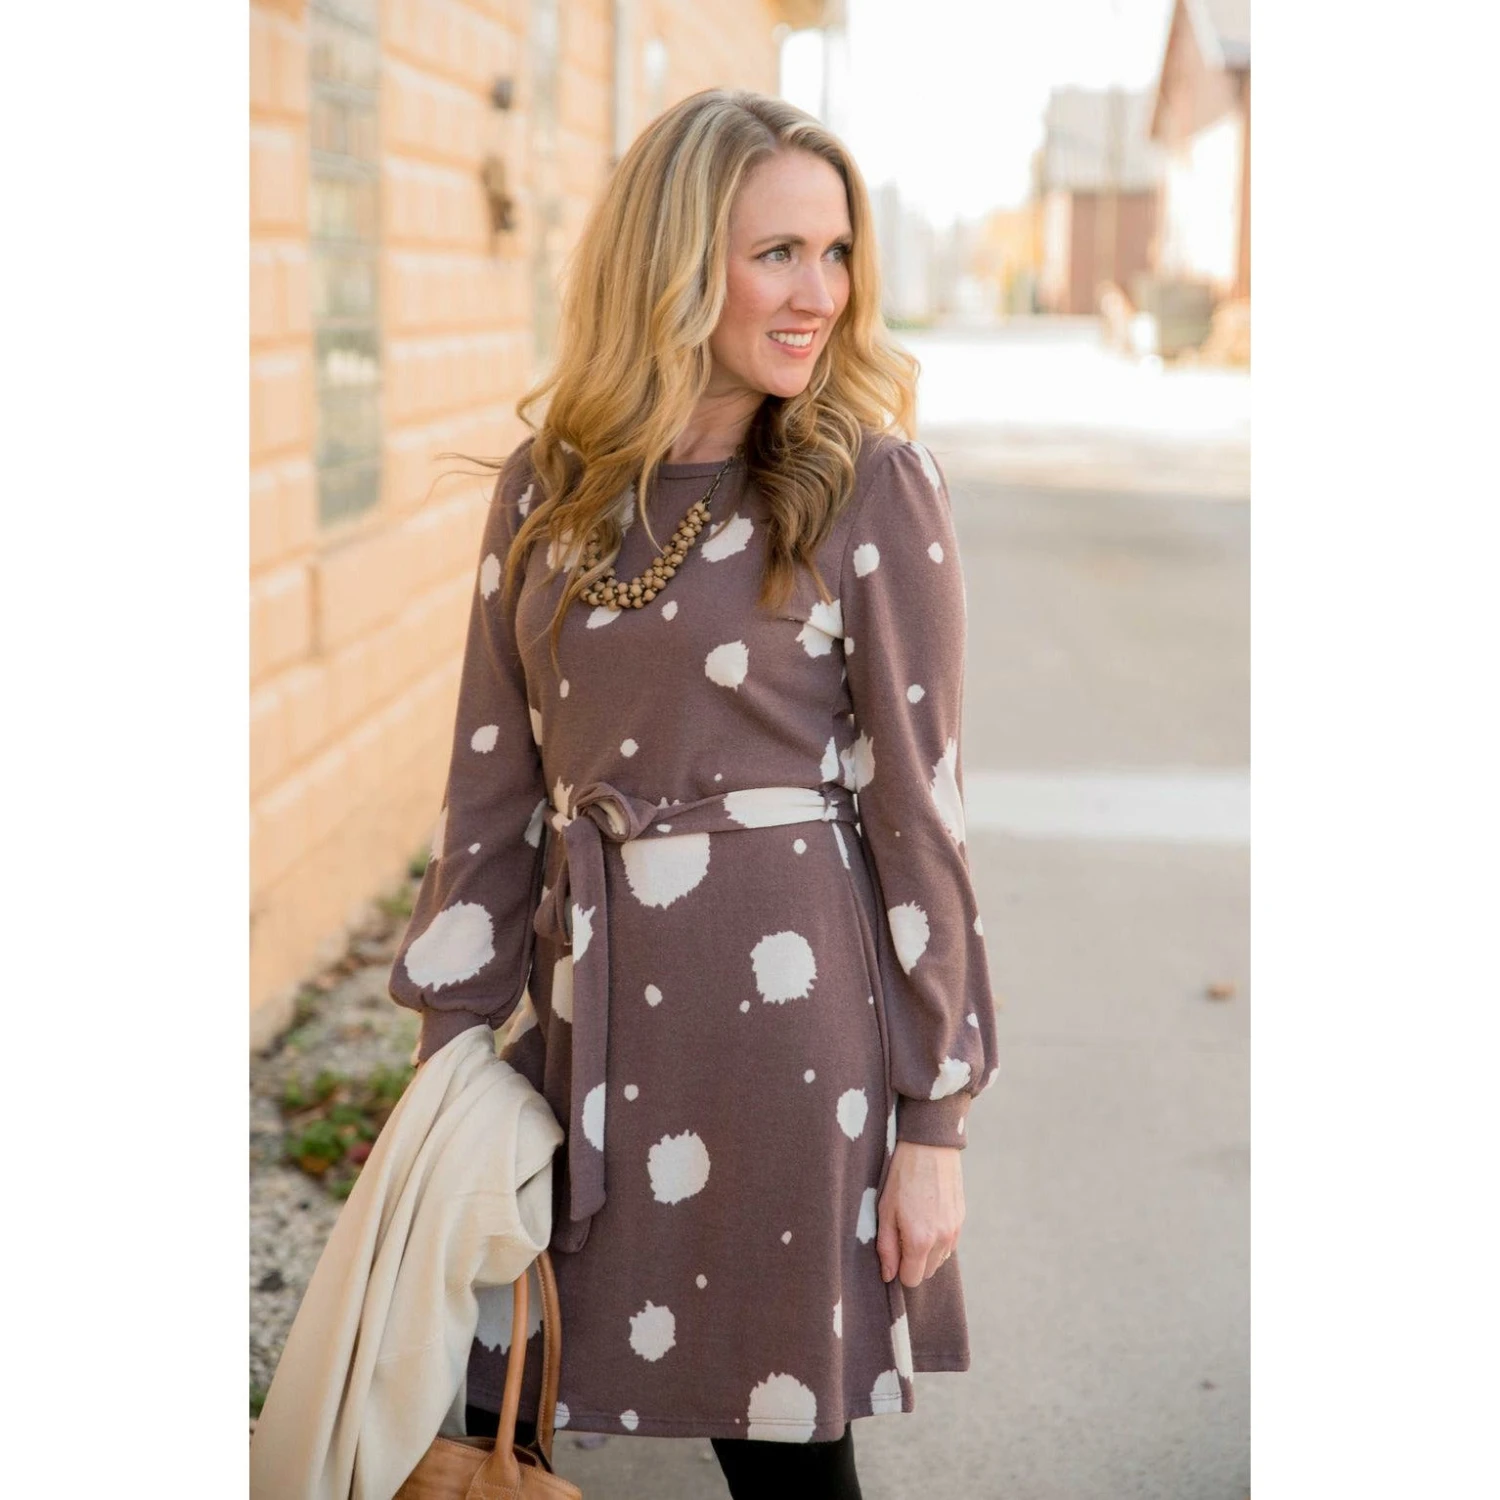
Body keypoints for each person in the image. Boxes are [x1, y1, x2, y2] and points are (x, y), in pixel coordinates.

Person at [389, 87, 999, 1499]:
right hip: (571, 1021)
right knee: (482, 1425)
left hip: (786, 1048)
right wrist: (447, 1059)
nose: (819, 295)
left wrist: (935, 1126)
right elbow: (489, 794)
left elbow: (921, 818)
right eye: (777, 253)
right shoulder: (548, 487)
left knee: (782, 1456)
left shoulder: (869, 487)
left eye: (836, 254)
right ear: (672, 262)